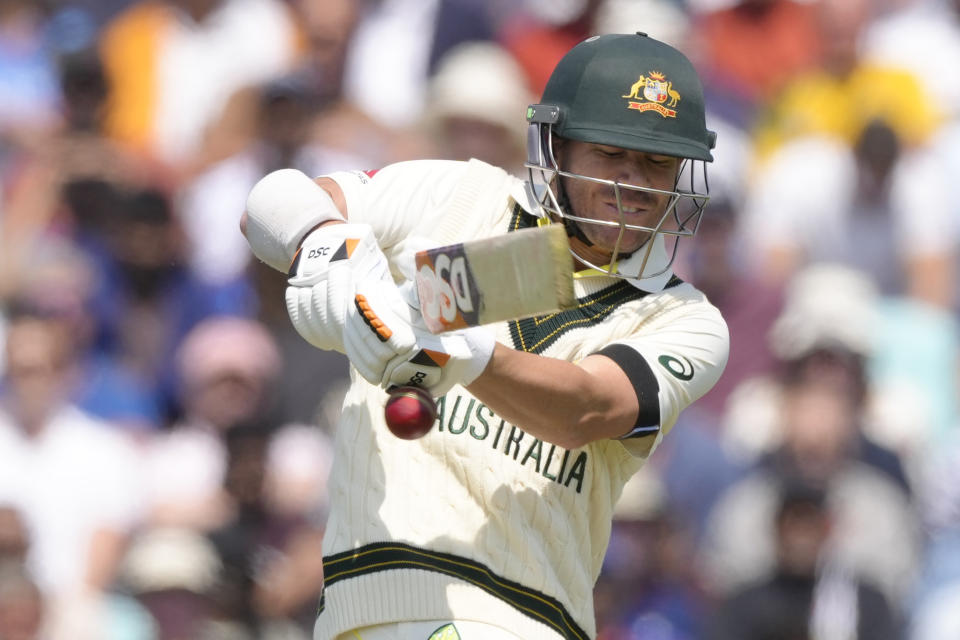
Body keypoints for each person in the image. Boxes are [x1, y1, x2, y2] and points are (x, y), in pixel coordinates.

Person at [240, 32, 729, 640]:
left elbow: (587, 406)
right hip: (354, 610)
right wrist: (329, 259)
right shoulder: (462, 199)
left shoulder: (683, 317)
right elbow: (274, 201)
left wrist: (465, 354)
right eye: (610, 154)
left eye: (656, 163)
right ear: (559, 146)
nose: (631, 182)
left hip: (512, 617)